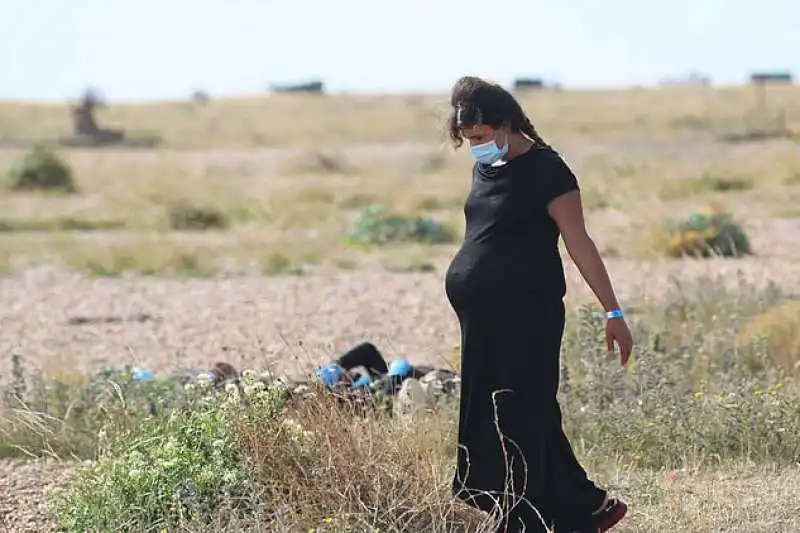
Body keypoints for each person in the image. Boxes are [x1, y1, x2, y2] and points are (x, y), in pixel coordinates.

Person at [442, 76, 634, 533]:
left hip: (528, 314)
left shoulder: (550, 172)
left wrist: (613, 312)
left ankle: (541, 513)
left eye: (482, 137)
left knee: (524, 409)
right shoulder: (485, 169)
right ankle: (579, 509)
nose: (476, 147)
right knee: (488, 410)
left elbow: (580, 243)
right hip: (483, 319)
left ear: (506, 124)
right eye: (469, 140)